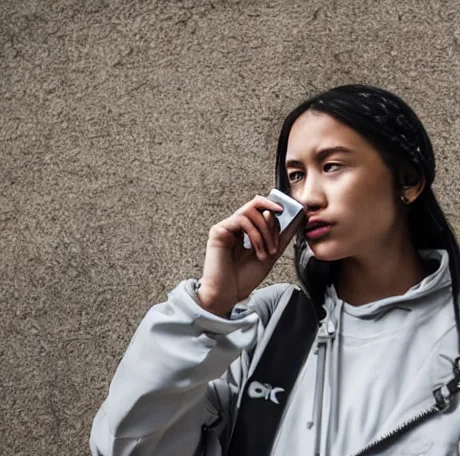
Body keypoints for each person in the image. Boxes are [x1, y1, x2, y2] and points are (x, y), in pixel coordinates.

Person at [90, 84, 460, 455]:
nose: (308, 197)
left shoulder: (450, 331)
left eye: (332, 166)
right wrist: (209, 308)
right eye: (296, 175)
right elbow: (127, 448)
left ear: (408, 180)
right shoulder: (273, 325)